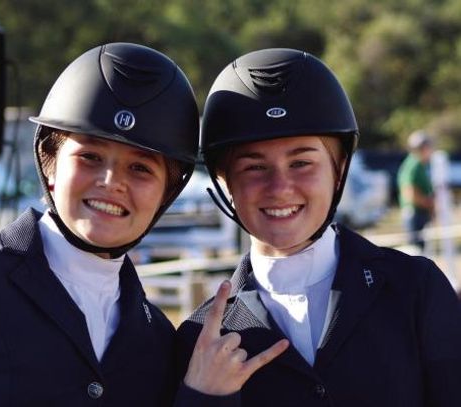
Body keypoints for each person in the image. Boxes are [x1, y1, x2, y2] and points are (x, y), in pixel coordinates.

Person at [175, 48, 461, 406]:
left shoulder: (415, 287)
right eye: (254, 167)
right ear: (224, 180)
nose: (280, 188)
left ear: (339, 169)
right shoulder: (201, 336)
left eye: (301, 163)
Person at [0, 42, 199, 406]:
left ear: (167, 192)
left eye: (140, 168)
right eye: (90, 156)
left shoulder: (158, 337)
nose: (111, 181)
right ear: (50, 164)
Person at [397, 129, 435, 252]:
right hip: (415, 215)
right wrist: (429, 204)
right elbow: (409, 192)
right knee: (416, 251)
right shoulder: (414, 165)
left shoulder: (419, 164)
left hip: (418, 214)